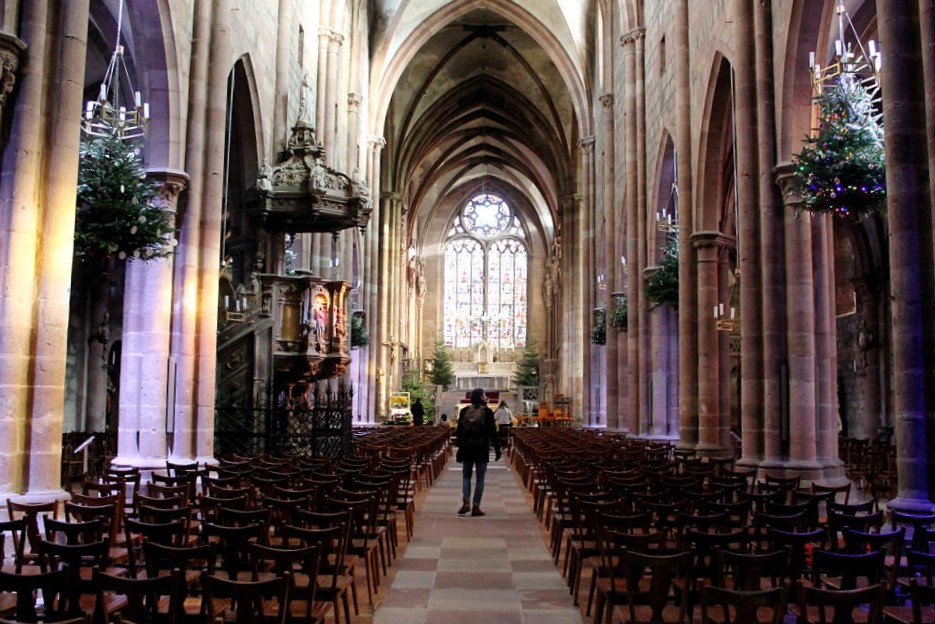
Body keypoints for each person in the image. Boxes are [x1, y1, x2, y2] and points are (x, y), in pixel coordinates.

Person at [455, 387, 501, 516]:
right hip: (481, 448)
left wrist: (460, 447)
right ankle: (476, 506)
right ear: (482, 397)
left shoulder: (464, 411)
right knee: (480, 478)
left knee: (466, 476)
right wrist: (497, 449)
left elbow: (459, 432)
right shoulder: (487, 411)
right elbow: (493, 432)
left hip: (467, 448)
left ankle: (466, 501)